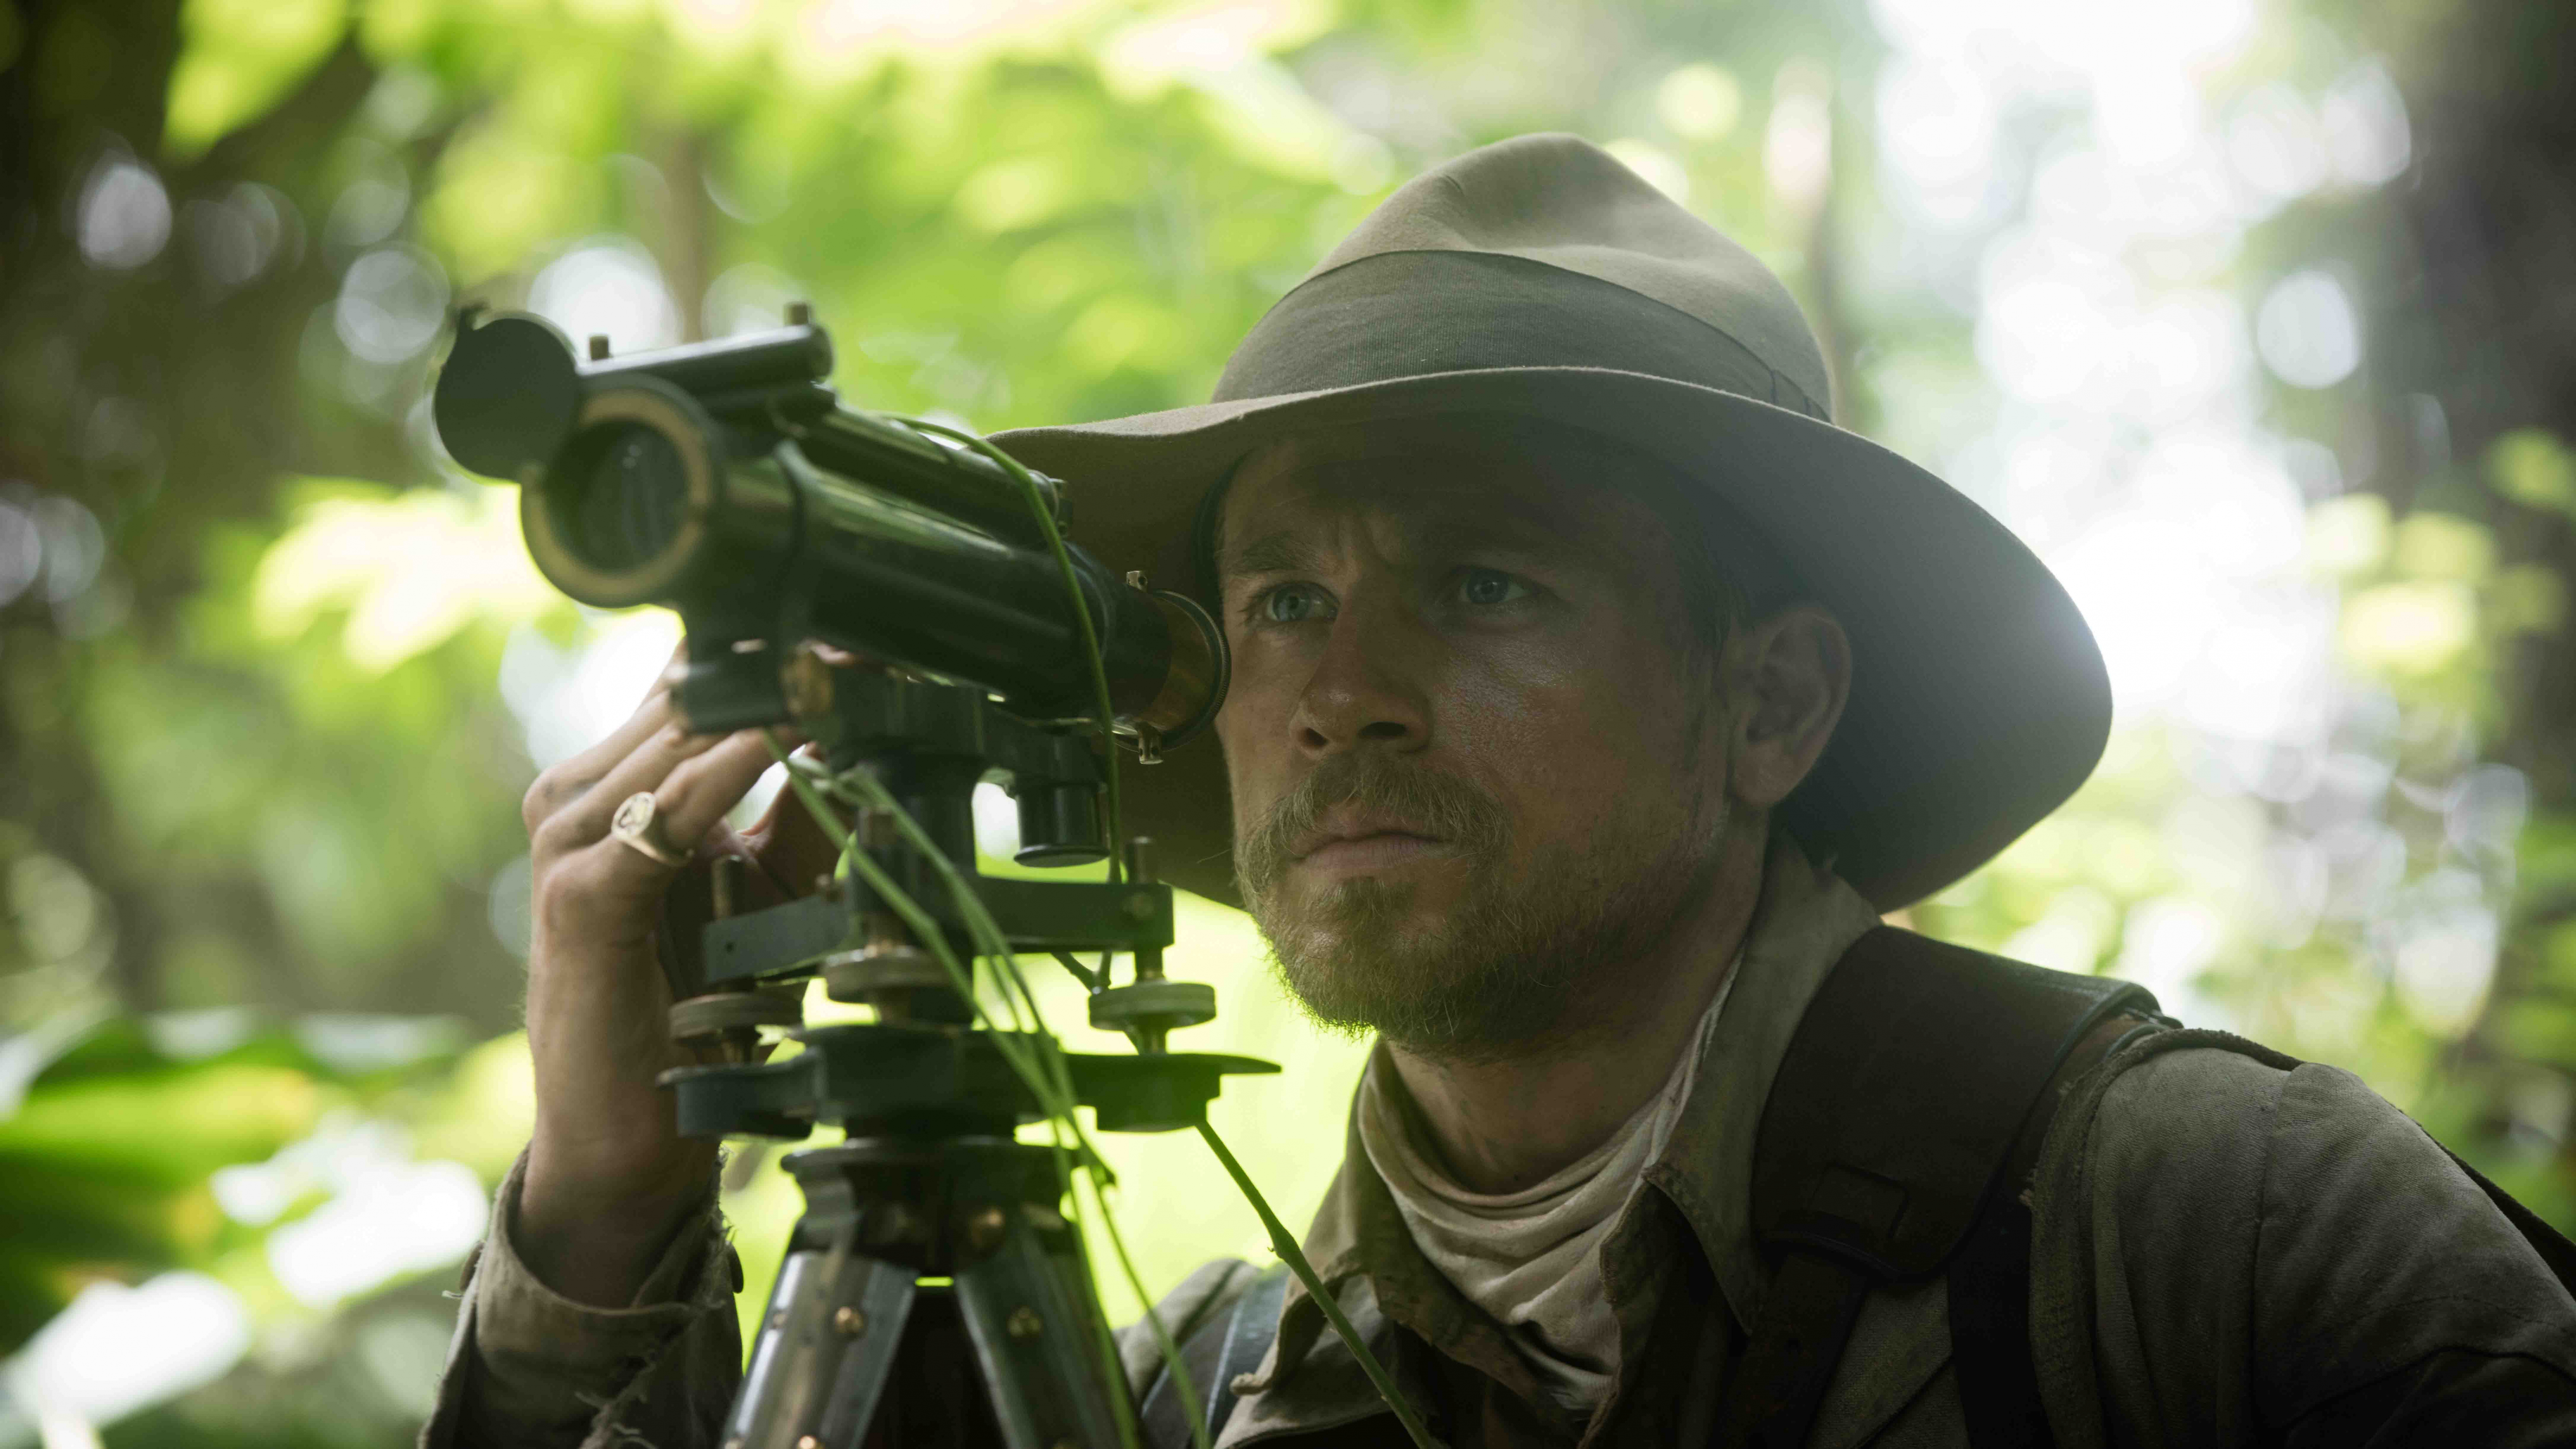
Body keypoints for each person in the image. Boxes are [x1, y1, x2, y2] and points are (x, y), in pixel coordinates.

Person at [423, 135, 2576, 1449]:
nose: (1341, 692)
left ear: (1775, 706)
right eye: (1276, 601)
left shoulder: (2197, 1231)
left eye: (1480, 584)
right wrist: (604, 1215)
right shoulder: (1213, 1381)